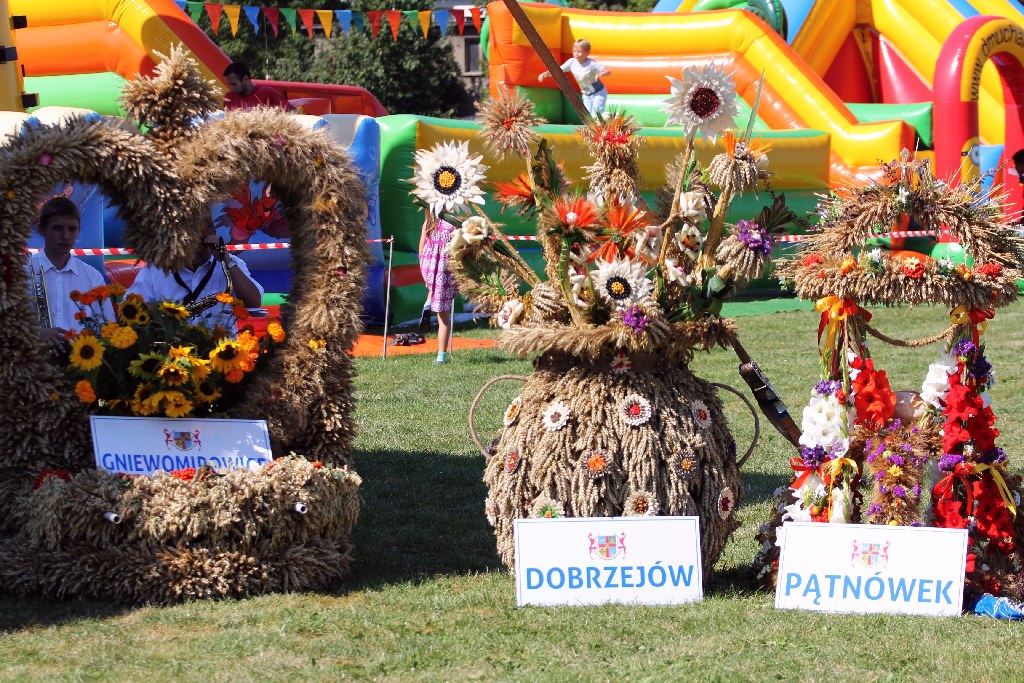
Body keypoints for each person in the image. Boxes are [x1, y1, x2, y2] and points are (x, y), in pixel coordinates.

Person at [128, 219, 264, 332]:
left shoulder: (232, 264)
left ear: (213, 237)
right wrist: (159, 313)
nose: (192, 249)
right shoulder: (156, 268)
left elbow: (253, 302)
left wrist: (227, 261)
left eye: (199, 241)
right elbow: (130, 309)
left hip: (219, 355)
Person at [27, 196, 111, 349]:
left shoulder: (94, 278)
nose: (66, 236)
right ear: (41, 230)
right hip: (31, 364)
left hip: (81, 365)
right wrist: (34, 334)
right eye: (57, 228)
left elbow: (107, 328)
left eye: (72, 229)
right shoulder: (21, 274)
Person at [537, 38, 611, 118]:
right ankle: (605, 117)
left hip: (598, 93)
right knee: (588, 117)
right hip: (586, 94)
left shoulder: (591, 64)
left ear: (587, 53)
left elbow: (608, 71)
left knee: (595, 116)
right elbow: (558, 70)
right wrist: (545, 74)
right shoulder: (572, 62)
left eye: (579, 52)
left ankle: (607, 116)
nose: (576, 54)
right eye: (575, 51)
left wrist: (601, 74)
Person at [418, 214, 456, 364]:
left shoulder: (430, 219)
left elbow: (422, 244)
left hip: (429, 262)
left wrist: (422, 266)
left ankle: (428, 303)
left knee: (433, 286)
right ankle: (441, 356)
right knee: (443, 317)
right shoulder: (454, 222)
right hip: (445, 266)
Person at [223, 62, 294, 112]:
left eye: (234, 84)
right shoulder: (228, 97)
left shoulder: (267, 92)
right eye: (229, 84)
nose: (231, 88)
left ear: (246, 78)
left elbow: (292, 111)